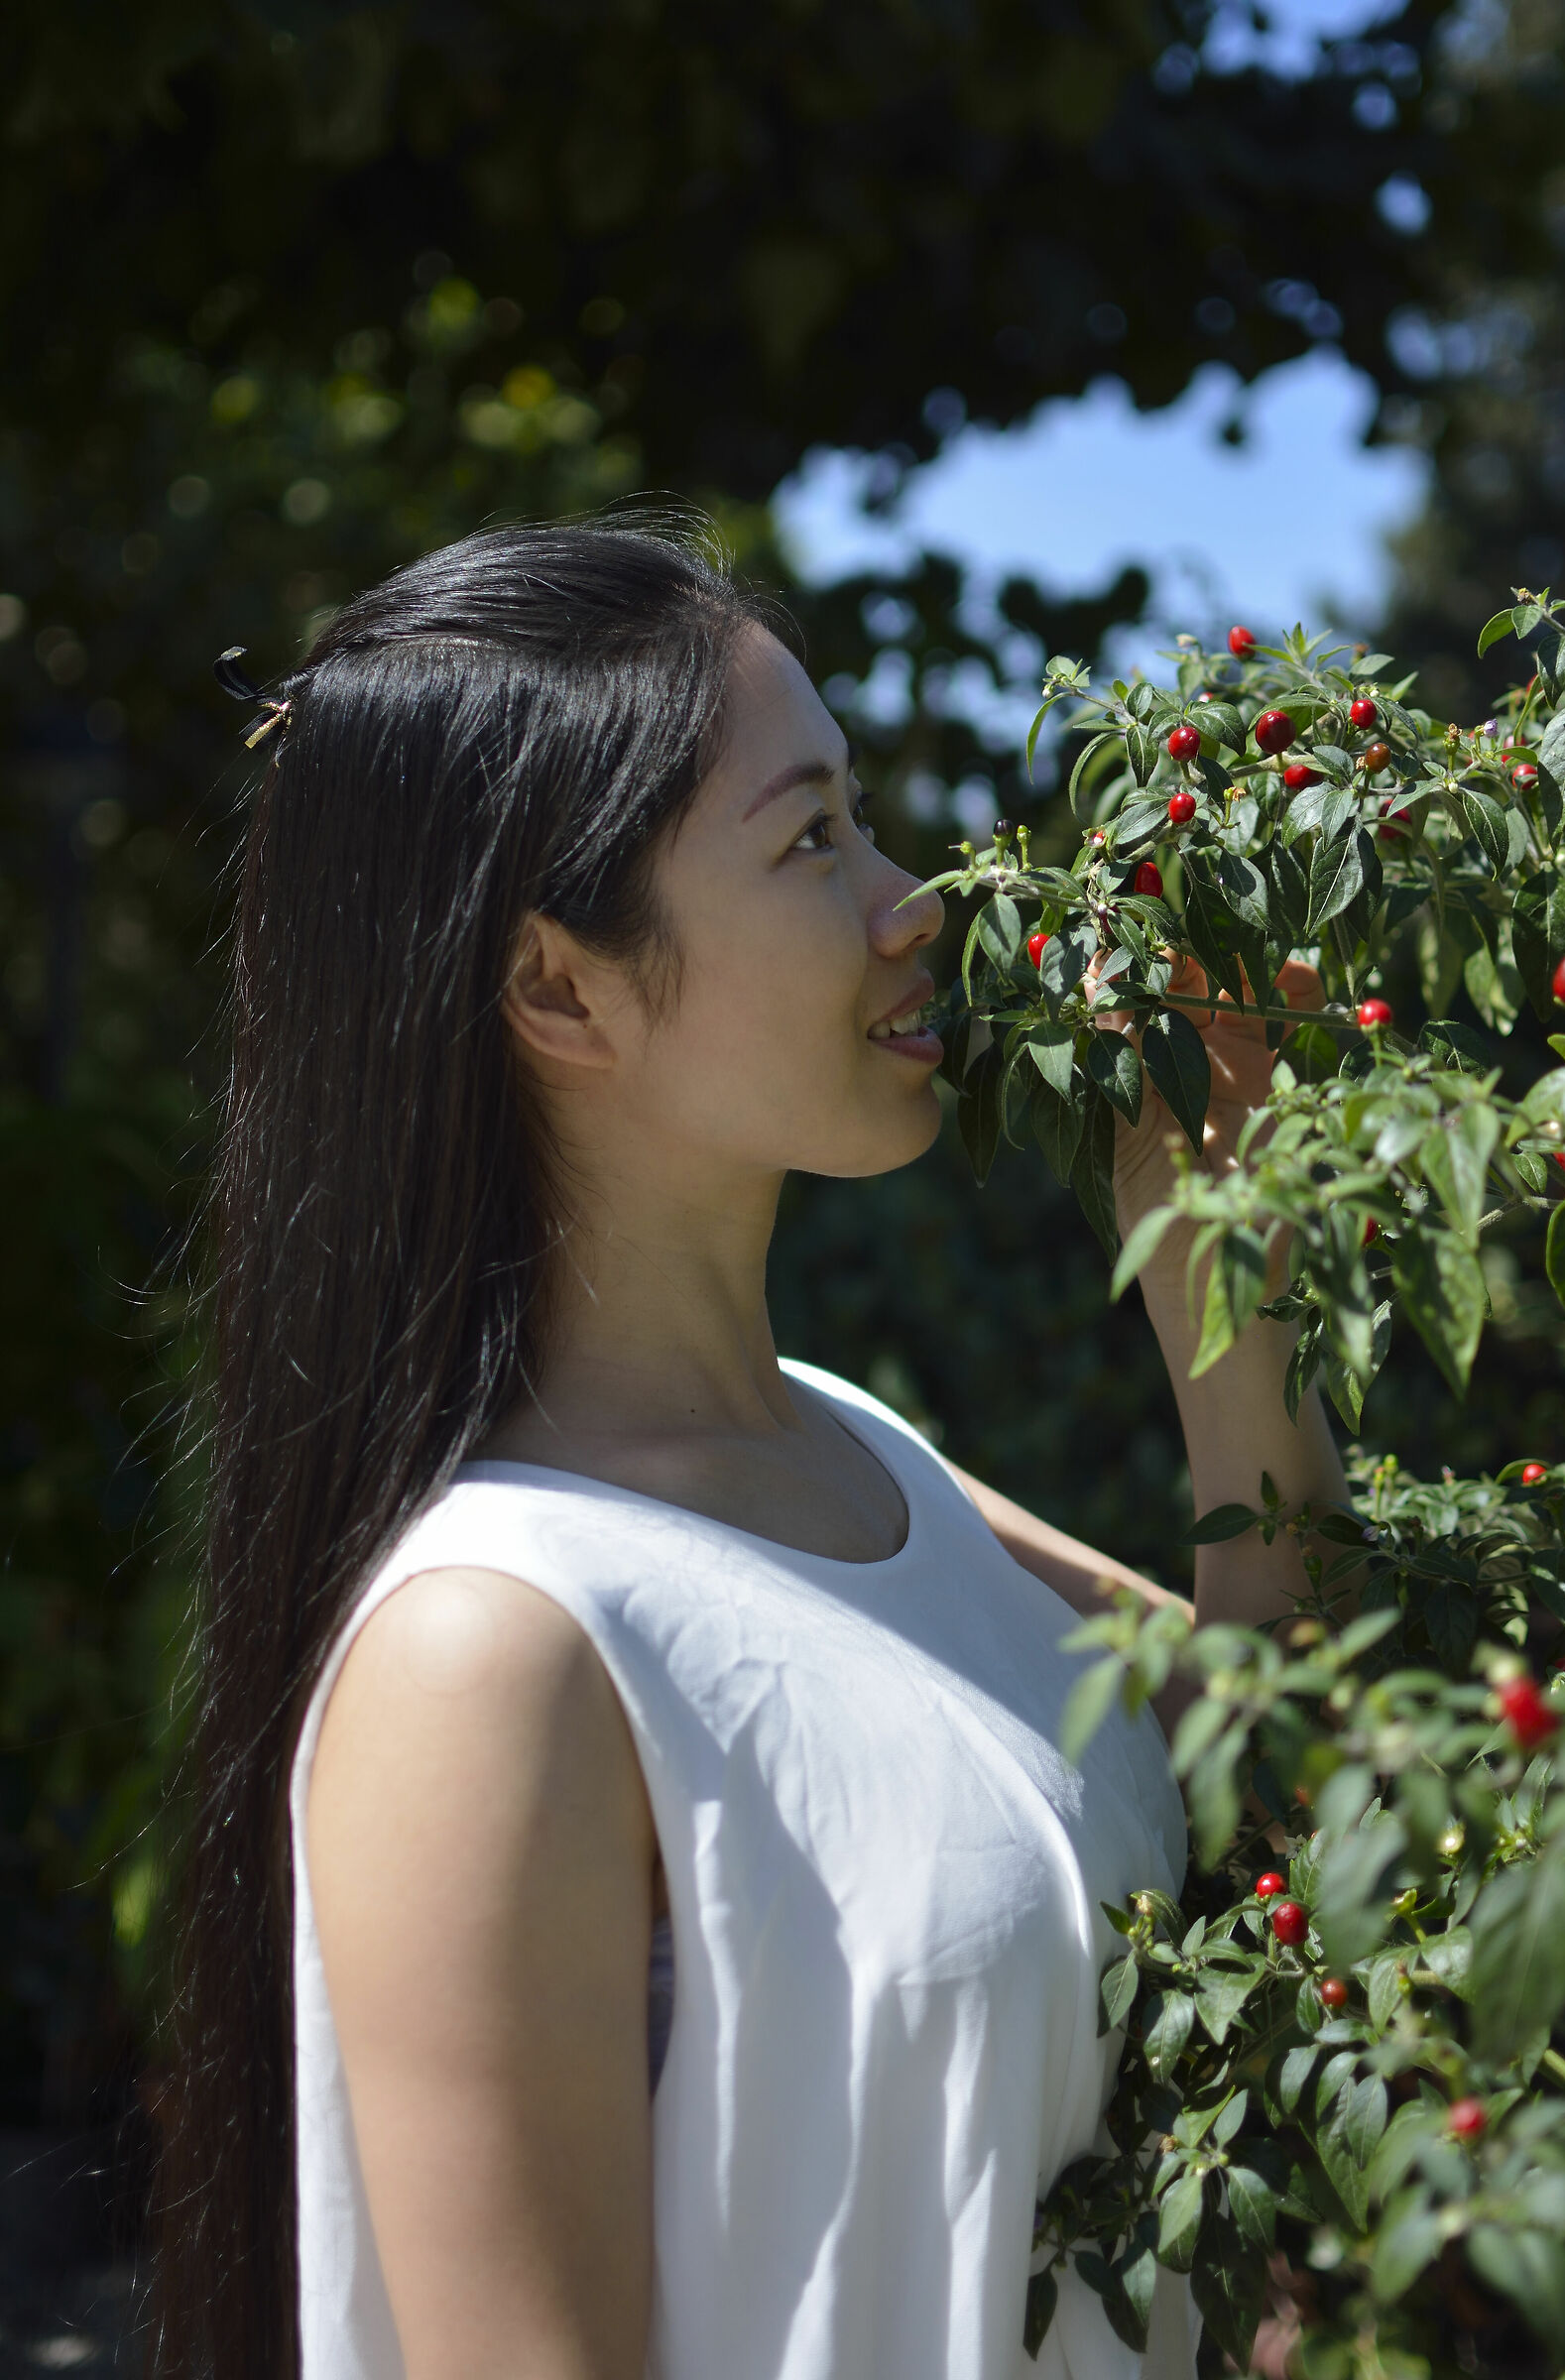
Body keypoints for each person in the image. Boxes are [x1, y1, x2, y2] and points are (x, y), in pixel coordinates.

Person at [159, 519, 1346, 2380]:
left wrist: (1235, 1296)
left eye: (862, 820)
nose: (911, 900)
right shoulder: (500, 1653)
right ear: (560, 991)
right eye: (811, 840)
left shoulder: (874, 1464)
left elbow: (1321, 1792)